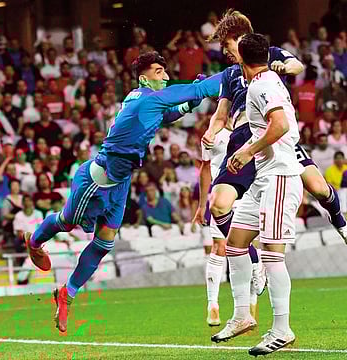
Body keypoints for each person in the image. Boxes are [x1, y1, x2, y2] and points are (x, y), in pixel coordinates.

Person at [22, 51, 221, 333]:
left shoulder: (145, 101)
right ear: (144, 78)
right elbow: (200, 88)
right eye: (158, 72)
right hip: (98, 180)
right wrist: (232, 76)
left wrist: (190, 104)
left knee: (104, 244)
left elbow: (167, 116)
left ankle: (67, 293)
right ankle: (34, 242)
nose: (165, 76)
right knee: (67, 223)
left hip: (121, 182)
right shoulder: (147, 98)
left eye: (166, 71)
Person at [203, 9, 346, 263]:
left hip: (276, 137)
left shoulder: (267, 55)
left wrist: (285, 66)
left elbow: (296, 64)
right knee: (220, 203)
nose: (224, 51)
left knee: (318, 188)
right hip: (244, 137)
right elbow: (221, 112)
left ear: (239, 38)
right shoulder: (229, 74)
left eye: (226, 44)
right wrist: (212, 130)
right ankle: (253, 259)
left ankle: (341, 223)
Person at [211, 33, 303, 356]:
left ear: (240, 59)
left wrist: (248, 151)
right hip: (264, 179)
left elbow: (278, 125)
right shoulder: (270, 79)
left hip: (279, 176)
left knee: (271, 254)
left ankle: (282, 329)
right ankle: (241, 315)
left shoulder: (261, 86)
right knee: (235, 243)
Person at [193, 126, 231, 326]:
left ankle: (214, 303)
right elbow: (205, 168)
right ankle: (214, 304)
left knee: (223, 247)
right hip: (225, 194)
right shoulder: (212, 134)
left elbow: (205, 168)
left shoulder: (253, 125)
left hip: (241, 193)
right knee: (223, 246)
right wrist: (202, 205)